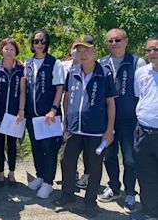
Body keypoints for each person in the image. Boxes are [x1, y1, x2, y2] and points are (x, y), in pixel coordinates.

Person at [54, 35, 116, 218]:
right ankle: (67, 194)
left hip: (96, 130)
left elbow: (111, 103)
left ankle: (90, 201)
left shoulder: (104, 74)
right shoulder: (72, 71)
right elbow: (66, 98)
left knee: (95, 167)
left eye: (86, 50)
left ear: (94, 51)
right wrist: (65, 125)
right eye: (78, 51)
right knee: (67, 161)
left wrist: (109, 130)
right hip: (73, 129)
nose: (82, 54)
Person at [98, 29, 146, 213]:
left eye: (118, 39)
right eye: (110, 40)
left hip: (129, 121)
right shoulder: (102, 63)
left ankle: (130, 193)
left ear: (126, 41)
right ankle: (114, 187)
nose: (114, 43)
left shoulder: (137, 62)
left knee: (130, 160)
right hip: (106, 121)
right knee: (109, 156)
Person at [25, 29, 65, 199]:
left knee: (49, 149)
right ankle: (40, 175)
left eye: (42, 41)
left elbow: (60, 88)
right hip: (31, 115)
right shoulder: (27, 63)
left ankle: (48, 182)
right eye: (36, 41)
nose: (39, 44)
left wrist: (54, 109)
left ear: (47, 43)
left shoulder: (54, 63)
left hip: (48, 115)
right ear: (32, 44)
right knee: (36, 147)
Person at [131, 34, 158, 220]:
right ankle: (149, 210)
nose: (152, 53)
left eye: (156, 49)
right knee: (146, 175)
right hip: (143, 132)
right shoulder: (141, 72)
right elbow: (139, 96)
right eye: (148, 50)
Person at [0, 38, 25, 187]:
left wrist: (21, 110)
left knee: (11, 144)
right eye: (6, 49)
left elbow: (23, 91)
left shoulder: (21, 70)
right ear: (1, 51)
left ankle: (11, 173)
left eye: (12, 49)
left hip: (14, 114)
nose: (8, 52)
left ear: (16, 52)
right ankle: (0, 172)